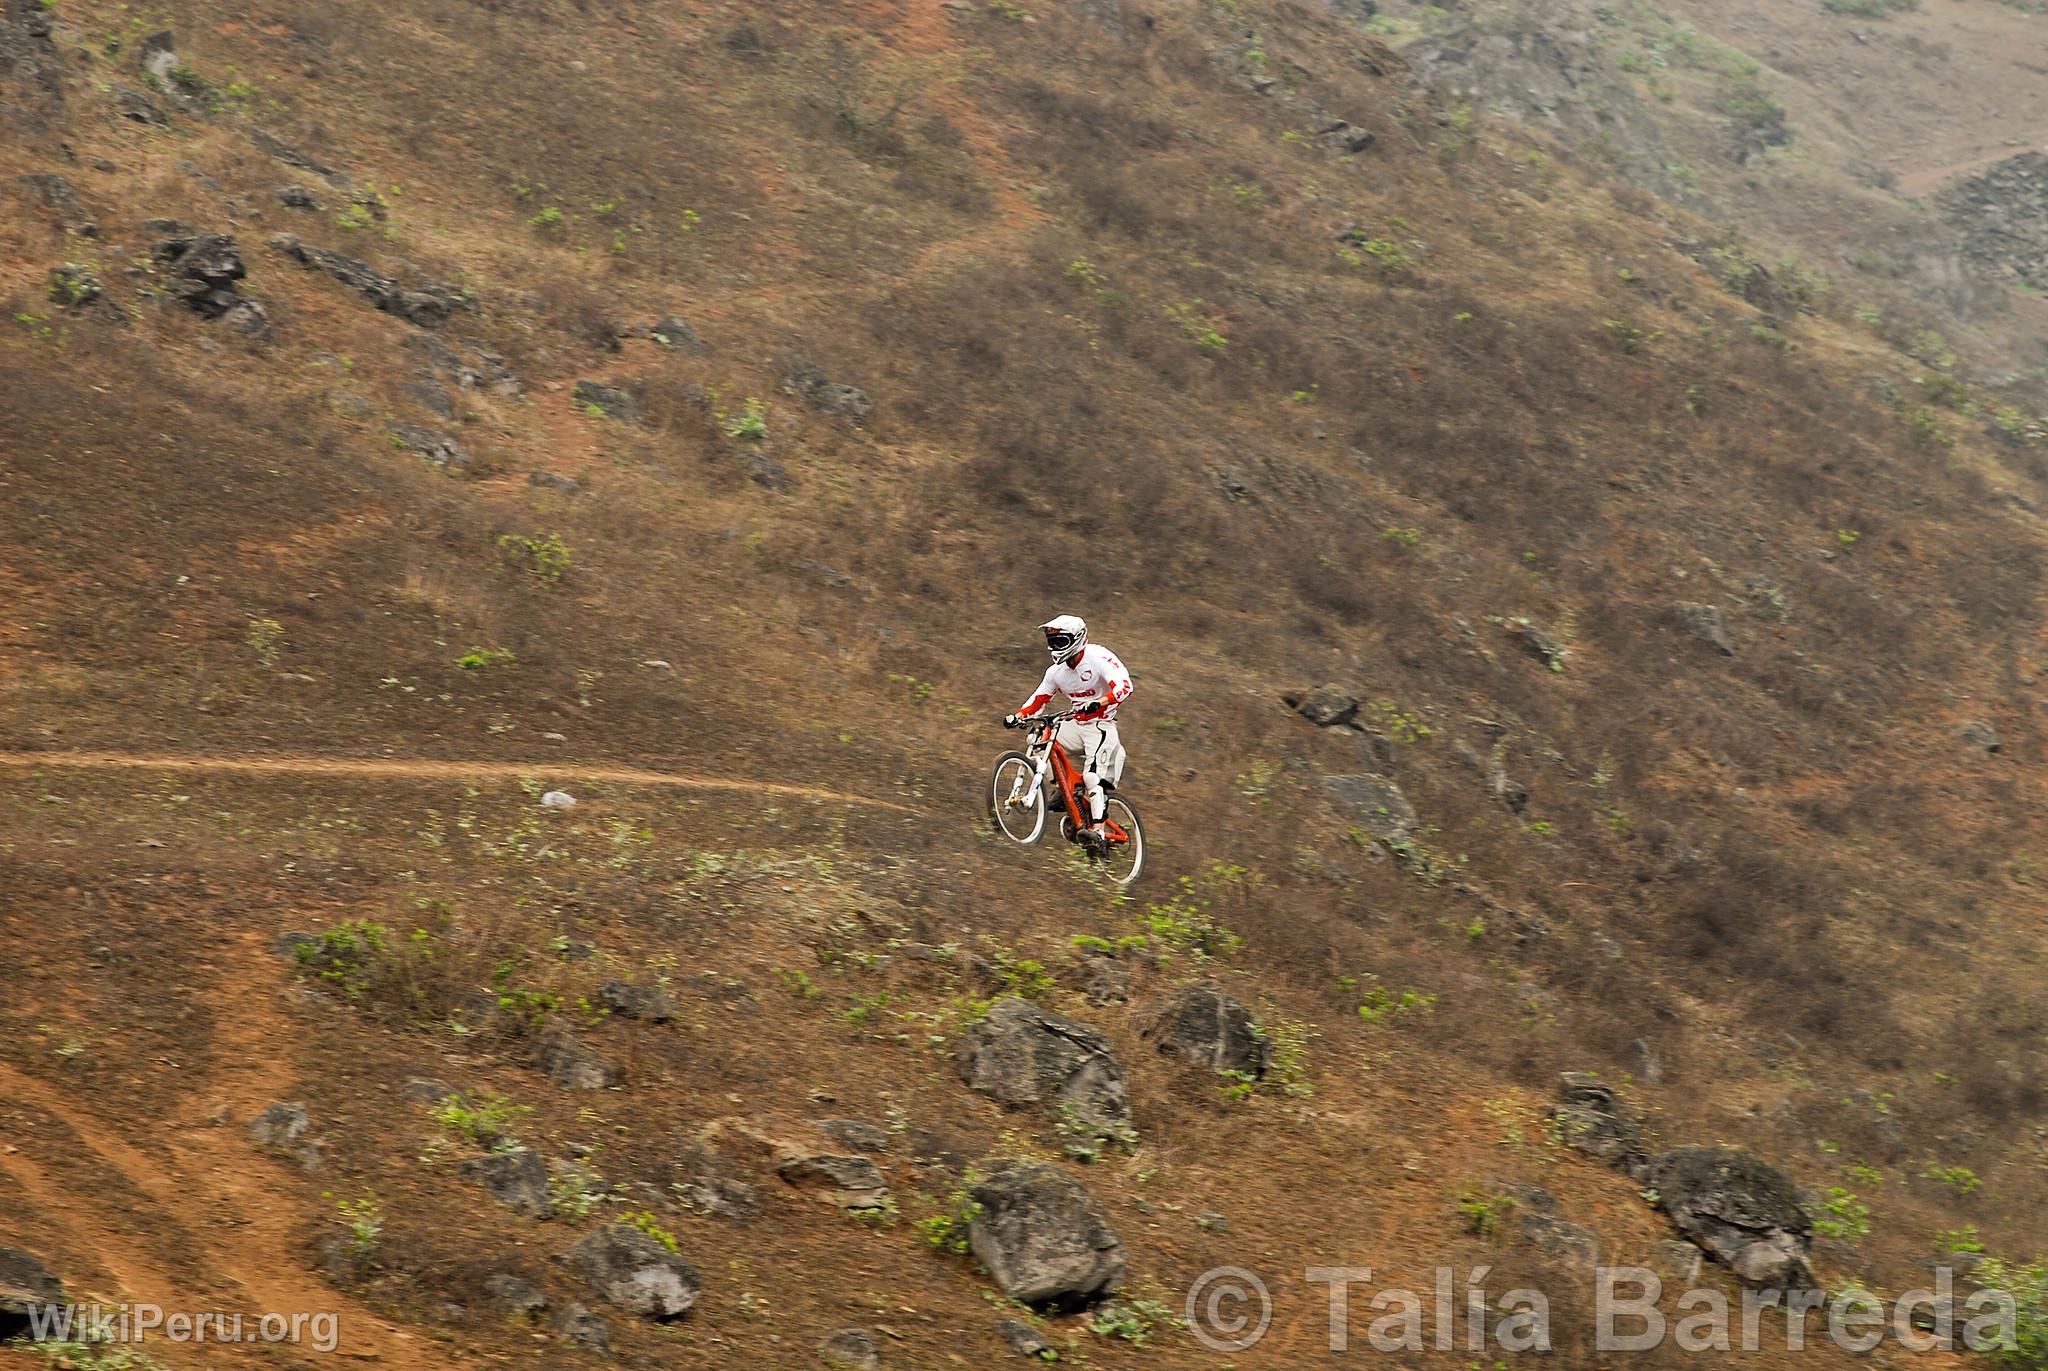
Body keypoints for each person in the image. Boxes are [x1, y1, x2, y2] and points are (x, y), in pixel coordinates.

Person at [1004, 614, 1132, 851]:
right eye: (1052, 643)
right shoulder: (1055, 672)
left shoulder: (1098, 657)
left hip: (1101, 725)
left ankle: (1099, 832)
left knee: (1093, 778)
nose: (1054, 648)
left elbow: (1125, 686)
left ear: (1078, 639)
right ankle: (1065, 790)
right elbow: (1039, 698)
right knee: (1039, 738)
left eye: (1060, 642)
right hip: (1076, 724)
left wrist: (1100, 702)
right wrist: (1019, 716)